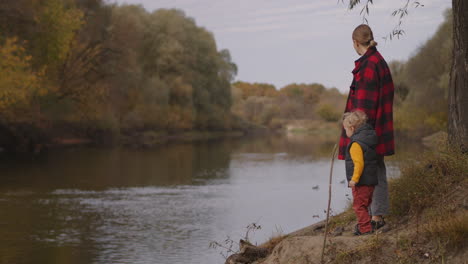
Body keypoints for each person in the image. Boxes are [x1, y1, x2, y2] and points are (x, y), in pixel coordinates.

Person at [338, 24, 395, 230]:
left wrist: (357, 136)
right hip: (375, 129)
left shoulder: (369, 66)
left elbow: (363, 109)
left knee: (372, 172)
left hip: (367, 131)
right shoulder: (377, 61)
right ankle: (374, 216)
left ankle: (376, 218)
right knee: (375, 169)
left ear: (355, 42)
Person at [343, 110, 379, 235]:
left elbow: (359, 164)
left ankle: (365, 230)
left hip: (361, 182)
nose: (346, 132)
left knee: (359, 206)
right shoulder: (369, 139)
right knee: (365, 204)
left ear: (352, 128)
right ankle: (366, 225)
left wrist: (354, 179)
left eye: (346, 129)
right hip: (371, 181)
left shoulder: (356, 144)